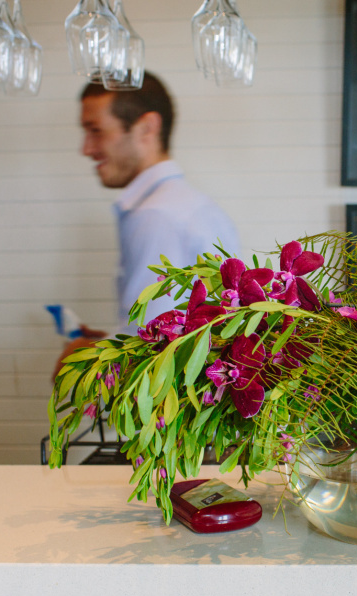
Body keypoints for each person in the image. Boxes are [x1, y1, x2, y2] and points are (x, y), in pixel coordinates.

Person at [55, 72, 239, 375]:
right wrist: (106, 340)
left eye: (96, 131)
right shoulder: (194, 204)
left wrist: (82, 355)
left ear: (147, 127)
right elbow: (177, 332)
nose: (86, 149)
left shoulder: (155, 216)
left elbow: (148, 351)